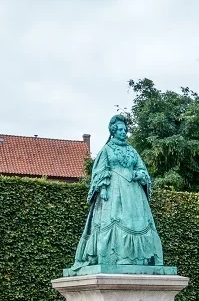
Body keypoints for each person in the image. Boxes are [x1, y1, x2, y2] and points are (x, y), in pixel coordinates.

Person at [69, 114, 164, 271]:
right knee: (115, 221)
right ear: (113, 131)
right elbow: (100, 171)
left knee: (138, 223)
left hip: (134, 193)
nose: (123, 132)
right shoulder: (106, 150)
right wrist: (103, 188)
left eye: (125, 130)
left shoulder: (133, 151)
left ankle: (140, 259)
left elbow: (142, 169)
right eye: (120, 129)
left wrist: (139, 175)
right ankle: (115, 257)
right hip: (114, 193)